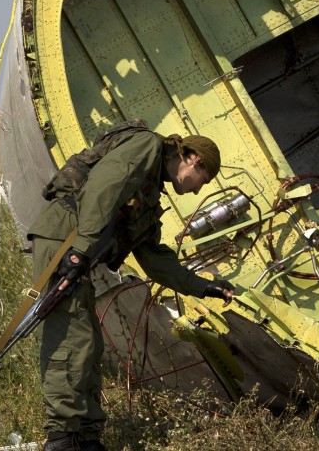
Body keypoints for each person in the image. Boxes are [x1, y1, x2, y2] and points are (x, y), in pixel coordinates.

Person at [26, 125, 236, 451]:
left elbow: (155, 260)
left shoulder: (150, 195)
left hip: (76, 249)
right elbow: (103, 188)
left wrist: (204, 288)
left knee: (89, 345)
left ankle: (85, 437)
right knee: (72, 340)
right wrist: (81, 249)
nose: (197, 192)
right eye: (203, 182)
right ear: (193, 159)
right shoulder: (146, 147)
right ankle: (63, 438)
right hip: (64, 239)